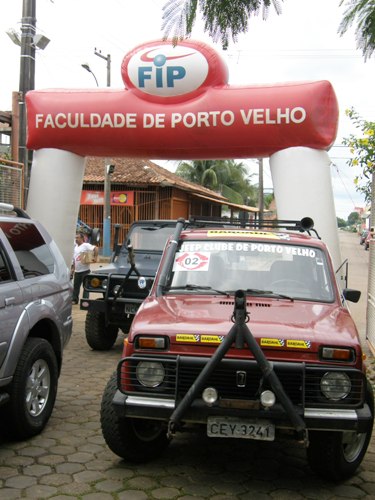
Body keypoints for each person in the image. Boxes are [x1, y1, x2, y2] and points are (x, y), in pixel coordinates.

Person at [71, 232, 98, 304]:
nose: (76, 239)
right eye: (75, 237)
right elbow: (74, 260)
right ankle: (74, 300)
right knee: (76, 287)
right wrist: (73, 270)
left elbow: (96, 248)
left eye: (77, 237)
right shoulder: (75, 247)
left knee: (86, 287)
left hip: (85, 271)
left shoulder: (86, 245)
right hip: (77, 271)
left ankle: (85, 301)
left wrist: (95, 257)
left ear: (82, 238)